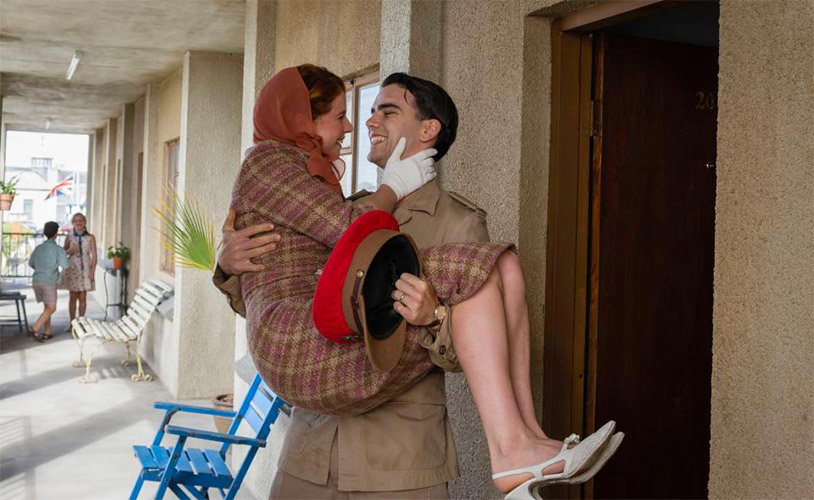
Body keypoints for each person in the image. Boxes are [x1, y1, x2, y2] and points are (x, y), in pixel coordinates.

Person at [224, 65, 619, 498]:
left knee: (497, 265)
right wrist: (228, 264)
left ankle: (524, 443)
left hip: (398, 463)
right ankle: (517, 449)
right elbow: (290, 294)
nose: (366, 123)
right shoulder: (349, 204)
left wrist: (436, 317)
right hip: (312, 452)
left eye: (387, 111)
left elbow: (473, 355)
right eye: (364, 112)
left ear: (428, 129)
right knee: (496, 264)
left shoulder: (459, 222)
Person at [28, 221, 69, 341]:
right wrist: (67, 253)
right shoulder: (58, 249)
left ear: (45, 233)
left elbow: (31, 263)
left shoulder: (38, 248)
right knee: (52, 307)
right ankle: (35, 327)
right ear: (56, 234)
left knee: (47, 306)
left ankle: (47, 332)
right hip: (49, 281)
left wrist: (41, 269)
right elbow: (65, 265)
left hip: (36, 280)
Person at [61, 212, 97, 326]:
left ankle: (81, 322)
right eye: (76, 221)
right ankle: (72, 323)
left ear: (85, 222)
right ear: (73, 223)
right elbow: (62, 254)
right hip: (73, 269)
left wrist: (92, 271)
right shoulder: (69, 237)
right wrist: (71, 250)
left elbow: (94, 256)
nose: (79, 223)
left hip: (85, 269)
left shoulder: (90, 237)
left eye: (81, 220)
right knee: (73, 296)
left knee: (83, 296)